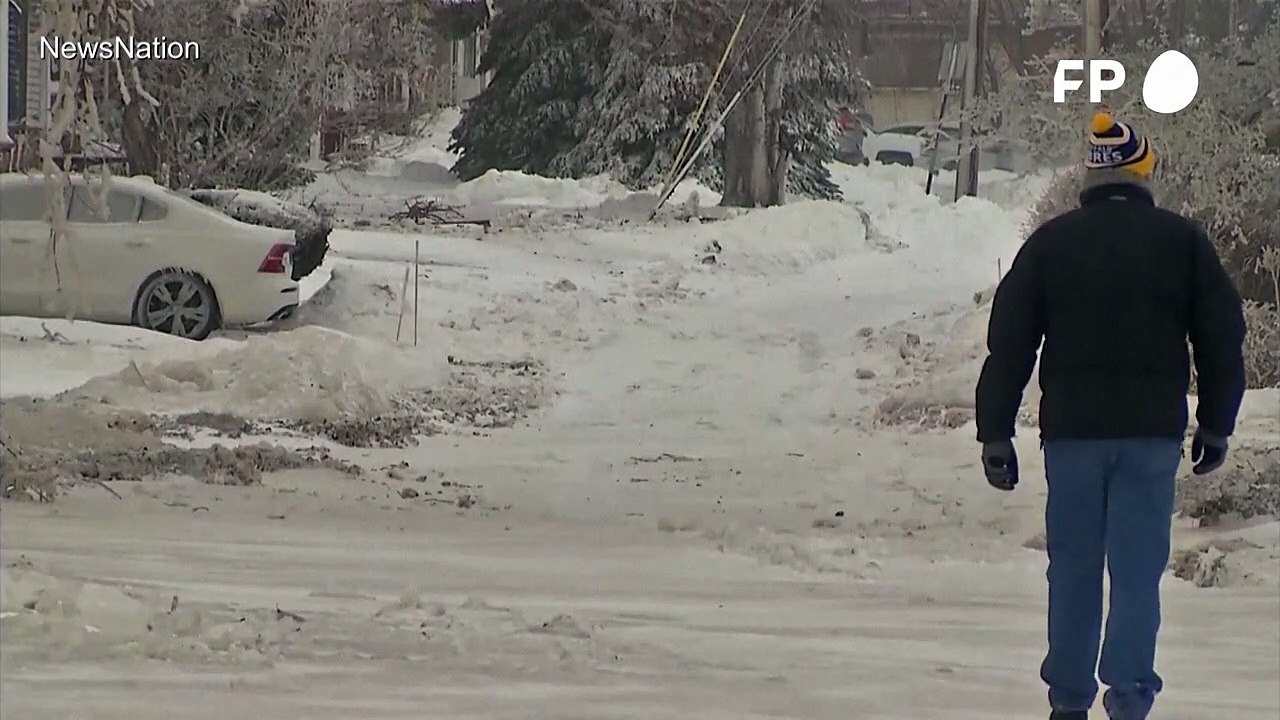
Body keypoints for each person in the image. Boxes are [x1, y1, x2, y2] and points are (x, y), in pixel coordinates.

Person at [973, 110, 1247, 720]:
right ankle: (1127, 698)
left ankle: (1068, 702)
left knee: (1071, 568)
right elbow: (1222, 337)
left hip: (1072, 436)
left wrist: (995, 429)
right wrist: (1216, 421)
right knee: (1137, 570)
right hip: (1151, 436)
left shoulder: (1052, 242)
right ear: (1143, 172)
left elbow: (1011, 343)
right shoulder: (1183, 242)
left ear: (1090, 177)